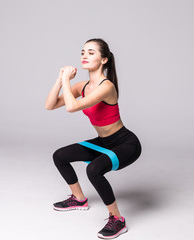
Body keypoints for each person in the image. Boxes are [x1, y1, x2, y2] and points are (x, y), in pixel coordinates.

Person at [45, 38, 142, 239]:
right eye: (82, 52)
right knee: (60, 156)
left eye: (91, 52)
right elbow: (50, 105)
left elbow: (71, 107)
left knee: (94, 169)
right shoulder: (82, 86)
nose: (84, 56)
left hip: (126, 144)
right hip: (104, 142)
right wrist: (60, 79)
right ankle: (79, 199)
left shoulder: (107, 87)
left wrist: (66, 81)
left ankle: (117, 220)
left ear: (104, 59)